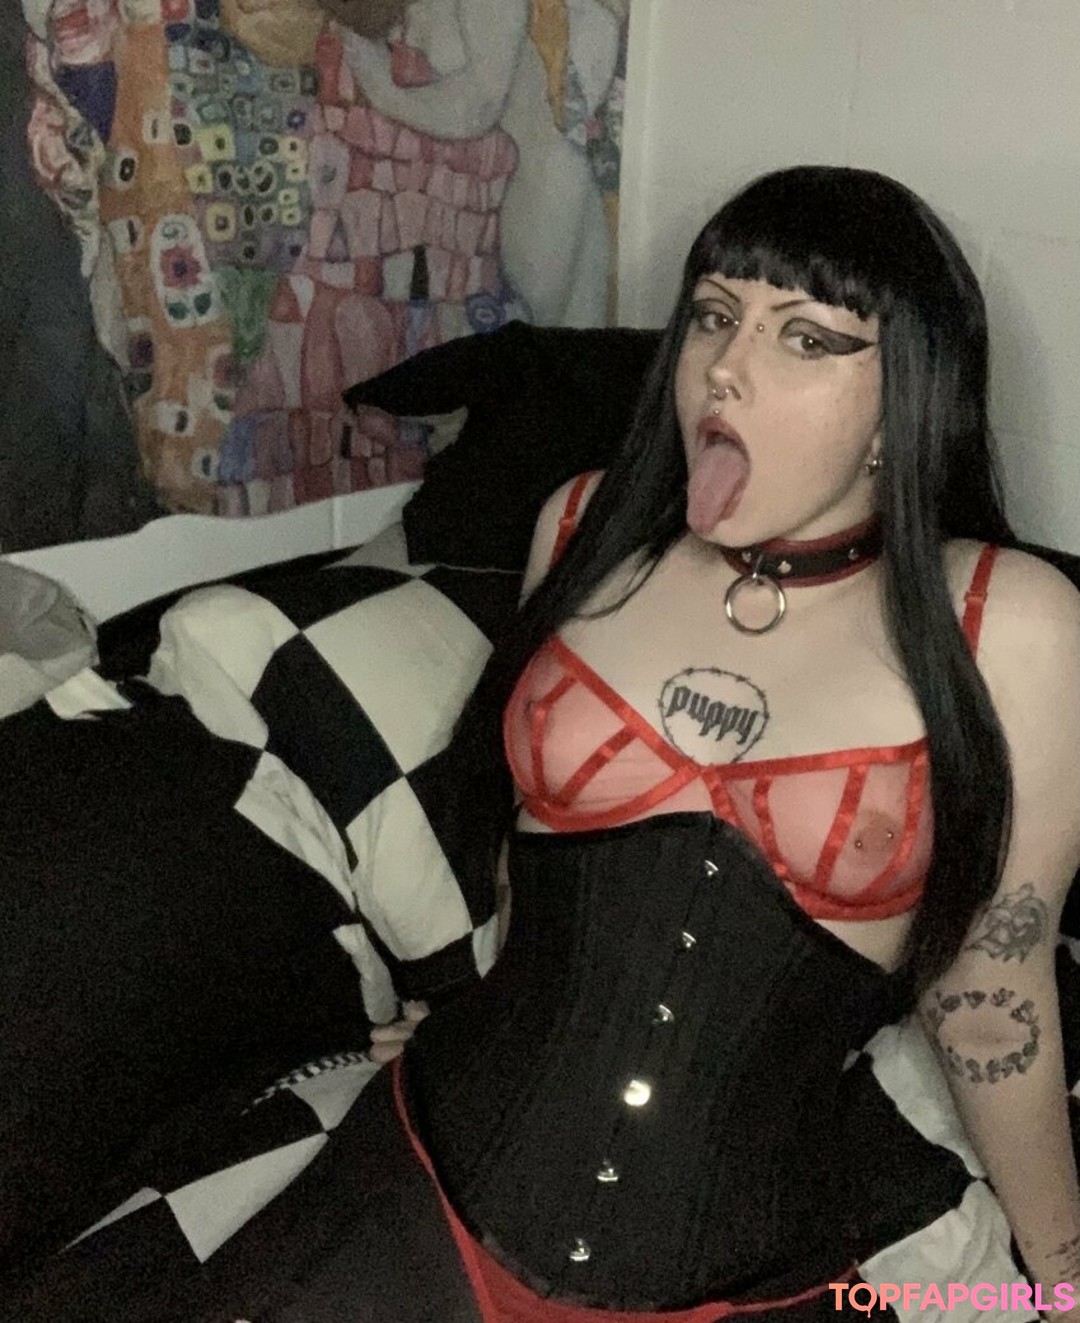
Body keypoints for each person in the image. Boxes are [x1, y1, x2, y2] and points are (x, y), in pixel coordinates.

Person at [367, 164, 1080, 1320]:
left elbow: (992, 985)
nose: (726, 367)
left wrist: (1063, 1277)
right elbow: (521, 855)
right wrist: (479, 1000)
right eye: (713, 317)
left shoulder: (1009, 623)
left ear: (907, 399)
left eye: (806, 338)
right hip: (435, 1161)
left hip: (756, 1258)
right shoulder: (584, 526)